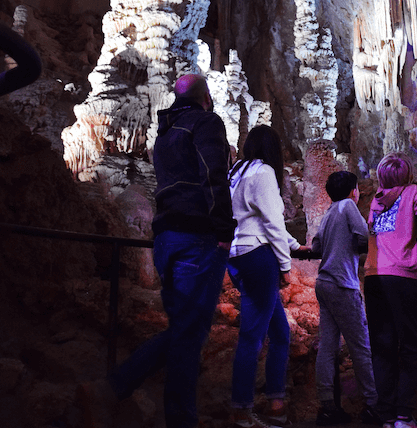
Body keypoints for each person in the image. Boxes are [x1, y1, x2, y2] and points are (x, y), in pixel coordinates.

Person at [77, 74, 236, 428]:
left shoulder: (164, 134)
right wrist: (224, 229)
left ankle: (113, 391)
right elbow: (213, 175)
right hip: (197, 237)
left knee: (185, 329)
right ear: (205, 98)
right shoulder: (206, 122)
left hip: (166, 239)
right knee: (189, 333)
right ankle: (127, 395)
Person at [228, 124, 307, 428]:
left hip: (237, 255)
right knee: (251, 336)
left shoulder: (237, 172)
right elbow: (273, 222)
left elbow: (258, 219)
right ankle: (241, 409)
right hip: (258, 258)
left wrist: (294, 245)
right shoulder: (264, 173)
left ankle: (276, 403)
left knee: (280, 334)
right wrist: (286, 266)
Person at [364, 153, 417, 428]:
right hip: (401, 275)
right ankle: (403, 416)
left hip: (374, 276)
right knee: (410, 346)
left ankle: (385, 413)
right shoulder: (414, 193)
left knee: (382, 345)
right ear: (408, 175)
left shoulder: (376, 201)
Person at [312, 170, 381, 426]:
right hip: (343, 284)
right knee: (361, 346)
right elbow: (365, 236)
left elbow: (317, 247)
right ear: (353, 190)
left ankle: (327, 406)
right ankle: (373, 404)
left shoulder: (328, 213)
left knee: (328, 346)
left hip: (324, 282)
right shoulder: (348, 207)